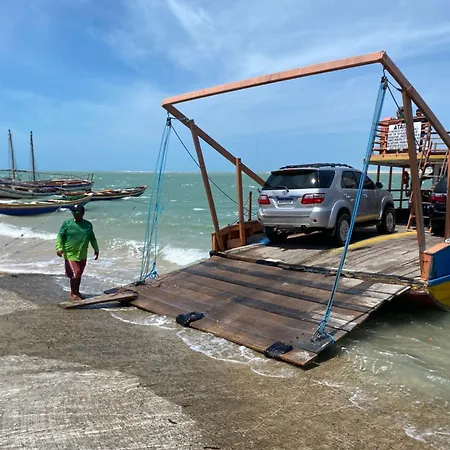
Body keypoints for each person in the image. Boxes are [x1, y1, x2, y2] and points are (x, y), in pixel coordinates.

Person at [56, 204, 99, 300]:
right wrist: (59, 248)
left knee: (79, 275)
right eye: (73, 212)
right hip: (70, 253)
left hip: (82, 254)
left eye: (77, 212)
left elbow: (92, 238)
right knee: (75, 274)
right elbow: (60, 236)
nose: (75, 214)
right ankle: (72, 293)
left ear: (83, 213)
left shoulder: (88, 225)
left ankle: (77, 292)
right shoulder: (67, 223)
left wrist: (96, 249)